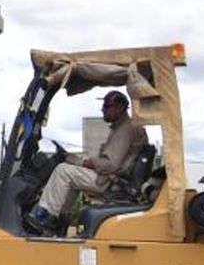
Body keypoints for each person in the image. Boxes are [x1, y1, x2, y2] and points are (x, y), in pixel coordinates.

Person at [28, 89, 149, 235]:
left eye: (106, 106)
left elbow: (110, 164)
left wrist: (80, 162)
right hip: (115, 179)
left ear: (120, 107)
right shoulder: (124, 127)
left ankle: (44, 217)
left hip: (113, 183)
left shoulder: (125, 129)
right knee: (71, 179)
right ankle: (59, 223)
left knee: (63, 170)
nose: (102, 110)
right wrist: (79, 162)